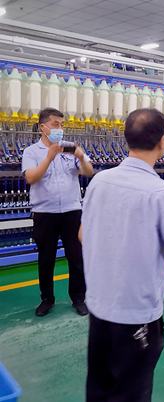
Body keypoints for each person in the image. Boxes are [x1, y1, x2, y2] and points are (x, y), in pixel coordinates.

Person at [81, 108, 164, 402]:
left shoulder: (99, 181)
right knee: (132, 392)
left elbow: (83, 234)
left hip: (99, 307)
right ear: (163, 141)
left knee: (99, 388)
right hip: (136, 316)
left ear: (126, 139)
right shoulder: (163, 194)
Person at [21, 107, 93, 317]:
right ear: (42, 127)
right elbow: (30, 178)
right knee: (46, 259)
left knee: (76, 257)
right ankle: (47, 299)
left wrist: (81, 156)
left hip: (72, 211)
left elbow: (89, 172)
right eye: (55, 124)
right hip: (45, 213)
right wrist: (49, 157)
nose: (60, 129)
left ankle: (78, 298)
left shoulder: (70, 149)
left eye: (62, 125)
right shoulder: (31, 152)